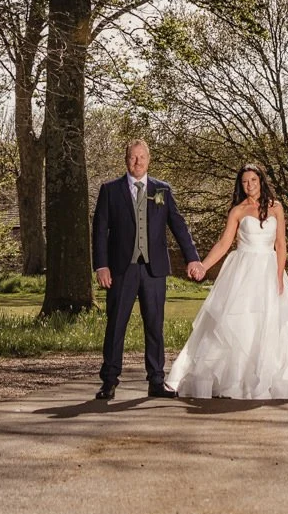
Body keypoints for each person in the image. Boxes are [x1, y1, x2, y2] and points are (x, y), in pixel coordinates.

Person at [164, 162, 288, 399]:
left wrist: (279, 275)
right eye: (245, 181)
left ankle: (269, 377)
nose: (249, 185)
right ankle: (235, 380)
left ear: (261, 181)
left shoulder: (277, 208)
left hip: (268, 270)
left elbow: (281, 244)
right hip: (242, 271)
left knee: (270, 323)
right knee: (239, 321)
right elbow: (224, 244)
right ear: (240, 185)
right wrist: (203, 265)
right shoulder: (238, 211)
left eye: (253, 180)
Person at [90, 137, 204, 401]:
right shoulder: (110, 190)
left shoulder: (162, 190)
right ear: (126, 159)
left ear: (148, 160)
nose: (137, 162)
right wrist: (101, 265)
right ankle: (109, 381)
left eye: (142, 157)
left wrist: (193, 258)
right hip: (121, 269)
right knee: (116, 325)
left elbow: (179, 226)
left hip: (154, 271)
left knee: (155, 326)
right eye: (132, 157)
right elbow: (99, 232)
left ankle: (156, 380)